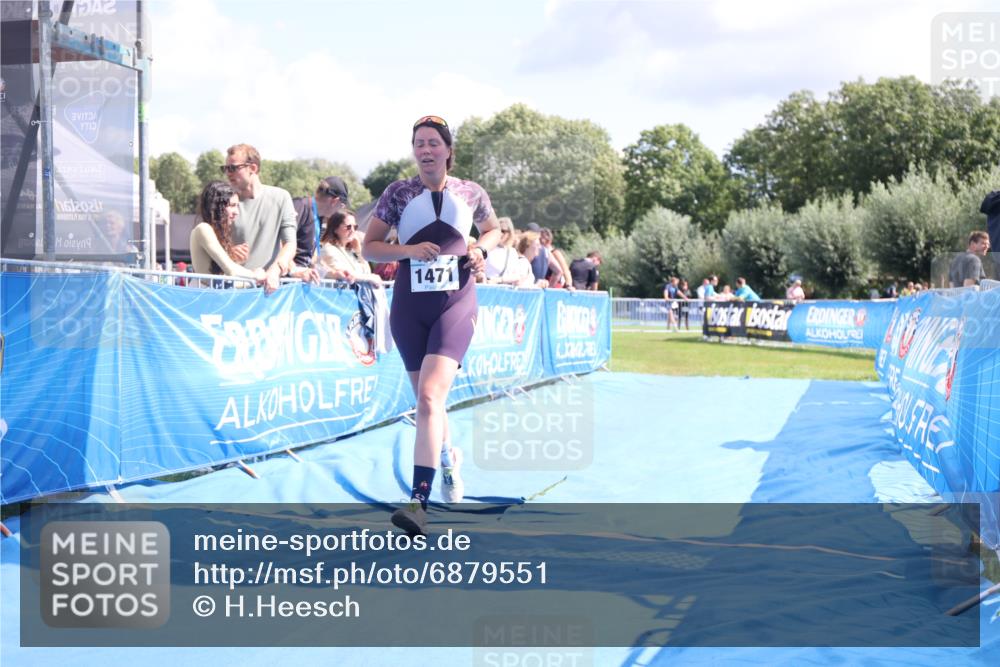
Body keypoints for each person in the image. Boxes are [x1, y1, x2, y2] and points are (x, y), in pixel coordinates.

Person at [362, 115, 500, 536]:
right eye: (419, 143)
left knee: (428, 397)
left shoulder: (471, 192)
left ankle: (418, 503)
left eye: (433, 143)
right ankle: (446, 459)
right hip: (409, 307)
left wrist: (480, 248)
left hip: (455, 303)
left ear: (447, 151)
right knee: (428, 405)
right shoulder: (398, 193)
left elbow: (494, 231)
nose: (425, 150)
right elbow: (369, 248)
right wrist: (406, 250)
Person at [222, 143, 297, 294]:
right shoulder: (225, 201)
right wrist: (229, 251)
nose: (228, 173)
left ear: (253, 168)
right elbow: (212, 245)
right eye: (225, 168)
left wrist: (274, 271)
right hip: (234, 290)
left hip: (269, 290)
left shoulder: (281, 197)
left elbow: (290, 244)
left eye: (233, 168)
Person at [189, 181, 266, 282]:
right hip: (206, 295)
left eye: (237, 206)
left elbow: (223, 274)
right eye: (232, 205)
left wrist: (233, 258)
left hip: (212, 294)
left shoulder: (212, 231)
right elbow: (231, 270)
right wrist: (255, 275)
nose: (237, 212)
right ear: (216, 206)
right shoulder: (203, 229)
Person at [291, 176, 350, 282]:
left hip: (298, 283)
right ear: (334, 201)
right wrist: (294, 271)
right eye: (341, 206)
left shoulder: (318, 219)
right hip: (284, 284)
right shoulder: (300, 206)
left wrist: (334, 273)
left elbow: (313, 261)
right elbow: (279, 244)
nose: (339, 211)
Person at [317, 210, 380, 284]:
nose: (353, 230)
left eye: (355, 227)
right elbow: (346, 275)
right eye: (348, 227)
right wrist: (372, 277)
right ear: (335, 229)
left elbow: (367, 272)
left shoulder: (350, 251)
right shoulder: (328, 250)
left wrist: (359, 251)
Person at [484, 217, 521, 284]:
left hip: (504, 290)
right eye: (498, 230)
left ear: (509, 233)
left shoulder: (512, 252)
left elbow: (517, 276)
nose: (500, 233)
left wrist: (499, 280)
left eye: (503, 231)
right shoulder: (486, 248)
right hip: (487, 288)